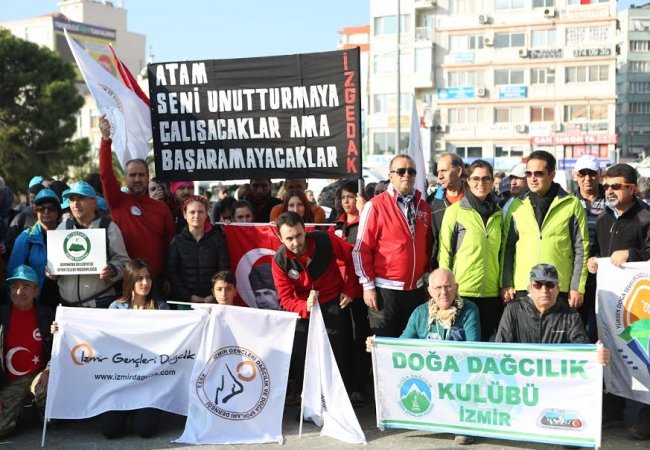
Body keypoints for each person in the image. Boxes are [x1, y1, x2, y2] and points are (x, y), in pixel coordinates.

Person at [366, 268, 480, 445]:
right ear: (429, 291)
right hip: (431, 377)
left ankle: (463, 425)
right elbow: (401, 344)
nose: (443, 293)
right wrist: (378, 345)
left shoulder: (469, 310)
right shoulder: (420, 312)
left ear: (456, 287)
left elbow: (474, 349)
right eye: (438, 288)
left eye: (448, 287)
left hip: (457, 375)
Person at [587, 163, 650, 440]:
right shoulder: (603, 219)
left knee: (644, 357)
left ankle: (647, 417)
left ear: (632, 188)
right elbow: (599, 252)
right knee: (610, 350)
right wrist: (593, 262)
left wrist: (632, 255)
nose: (609, 191)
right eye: (607, 186)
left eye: (616, 186)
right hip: (613, 306)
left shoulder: (646, 218)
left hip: (641, 307)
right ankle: (613, 409)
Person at [272, 211, 357, 390]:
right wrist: (305, 306)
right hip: (303, 311)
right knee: (303, 357)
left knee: (337, 355)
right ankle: (308, 404)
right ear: (280, 238)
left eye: (299, 235)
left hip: (333, 302)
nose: (296, 243)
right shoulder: (279, 261)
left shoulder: (325, 240)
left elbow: (351, 257)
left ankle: (338, 400)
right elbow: (285, 298)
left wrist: (350, 289)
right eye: (289, 238)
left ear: (305, 230)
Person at [354, 154, 433, 338]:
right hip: (385, 290)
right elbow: (360, 249)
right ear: (391, 176)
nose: (407, 175)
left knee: (411, 349)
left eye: (412, 171)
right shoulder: (375, 206)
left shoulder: (423, 206)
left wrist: (427, 280)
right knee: (384, 347)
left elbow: (427, 247)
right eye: (401, 171)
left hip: (415, 290)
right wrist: (368, 286)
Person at [99, 117, 175, 298]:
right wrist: (105, 140)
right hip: (125, 278)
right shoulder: (117, 201)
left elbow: (170, 246)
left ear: (148, 177)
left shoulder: (161, 208)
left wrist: (168, 278)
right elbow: (105, 175)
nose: (137, 179)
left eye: (141, 175)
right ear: (126, 179)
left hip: (154, 280)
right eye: (132, 175)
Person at [501, 150, 589, 308]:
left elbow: (581, 248)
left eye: (539, 173)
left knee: (558, 333)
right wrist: (506, 282)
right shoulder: (517, 205)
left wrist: (577, 287)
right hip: (524, 286)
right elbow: (507, 248)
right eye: (528, 173)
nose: (532, 178)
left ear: (552, 174)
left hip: (558, 286)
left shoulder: (572, 204)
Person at [438, 160, 503, 341]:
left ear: (492, 181)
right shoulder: (455, 211)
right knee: (463, 346)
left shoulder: (498, 214)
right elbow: (445, 252)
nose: (480, 183)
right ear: (467, 181)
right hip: (463, 291)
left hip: (491, 292)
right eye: (475, 178)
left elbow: (503, 252)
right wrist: (445, 289)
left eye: (486, 179)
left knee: (488, 347)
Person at [495, 263, 609, 352]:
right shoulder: (513, 310)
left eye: (550, 285)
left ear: (558, 289)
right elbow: (499, 349)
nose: (544, 290)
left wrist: (596, 354)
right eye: (538, 285)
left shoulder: (570, 316)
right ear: (530, 288)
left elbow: (582, 351)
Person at [53, 182, 130, 308]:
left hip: (99, 305)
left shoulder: (108, 227)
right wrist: (51, 271)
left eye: (81, 199)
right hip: (67, 307)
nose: (76, 204)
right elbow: (55, 263)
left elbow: (124, 262)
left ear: (94, 202)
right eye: (72, 200)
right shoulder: (62, 228)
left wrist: (112, 269)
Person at [0, 265, 54, 438]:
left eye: (26, 286)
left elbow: (60, 348)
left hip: (39, 374)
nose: (19, 292)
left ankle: (45, 413)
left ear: (36, 291)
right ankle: (16, 410)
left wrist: (50, 368)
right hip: (9, 382)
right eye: (15, 286)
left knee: (47, 386)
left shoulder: (47, 315)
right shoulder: (1, 316)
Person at [334, 181, 370, 406]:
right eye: (343, 197)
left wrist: (353, 290)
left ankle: (358, 386)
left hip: (357, 292)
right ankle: (344, 384)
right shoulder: (336, 224)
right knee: (343, 339)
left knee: (359, 339)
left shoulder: (364, 222)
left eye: (351, 197)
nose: (347, 202)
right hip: (338, 292)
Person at [167, 196, 229, 307]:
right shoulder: (177, 241)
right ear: (185, 215)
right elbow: (172, 274)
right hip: (184, 302)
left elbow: (224, 269)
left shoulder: (217, 239)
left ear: (206, 215)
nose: (196, 215)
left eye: (200, 212)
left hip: (212, 301)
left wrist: (214, 295)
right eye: (192, 212)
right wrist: (188, 296)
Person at [7, 189, 62, 309]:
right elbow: (14, 273)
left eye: (51, 208)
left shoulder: (68, 237)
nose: (46, 211)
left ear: (58, 212)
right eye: (41, 208)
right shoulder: (25, 238)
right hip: (37, 304)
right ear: (35, 211)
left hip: (65, 301)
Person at [572, 155, 606, 342]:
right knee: (578, 323)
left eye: (592, 173)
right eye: (582, 174)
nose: (587, 178)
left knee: (599, 325)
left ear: (599, 174)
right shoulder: (568, 202)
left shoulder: (610, 201)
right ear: (575, 176)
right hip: (576, 271)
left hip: (603, 270)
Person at [429, 152, 465, 270]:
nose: (439, 176)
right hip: (440, 271)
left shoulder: (474, 201)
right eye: (438, 172)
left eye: (444, 171)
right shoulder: (432, 203)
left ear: (458, 171)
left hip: (468, 272)